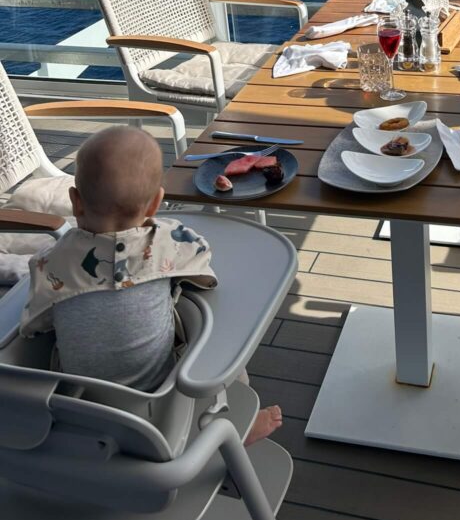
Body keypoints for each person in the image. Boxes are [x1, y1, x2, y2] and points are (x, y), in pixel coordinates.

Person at [21, 125, 281, 446]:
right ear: (156, 202)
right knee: (222, 344)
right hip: (160, 404)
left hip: (78, 406)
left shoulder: (49, 260)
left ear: (75, 201)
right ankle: (237, 420)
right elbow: (204, 271)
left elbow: (34, 324)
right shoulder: (168, 240)